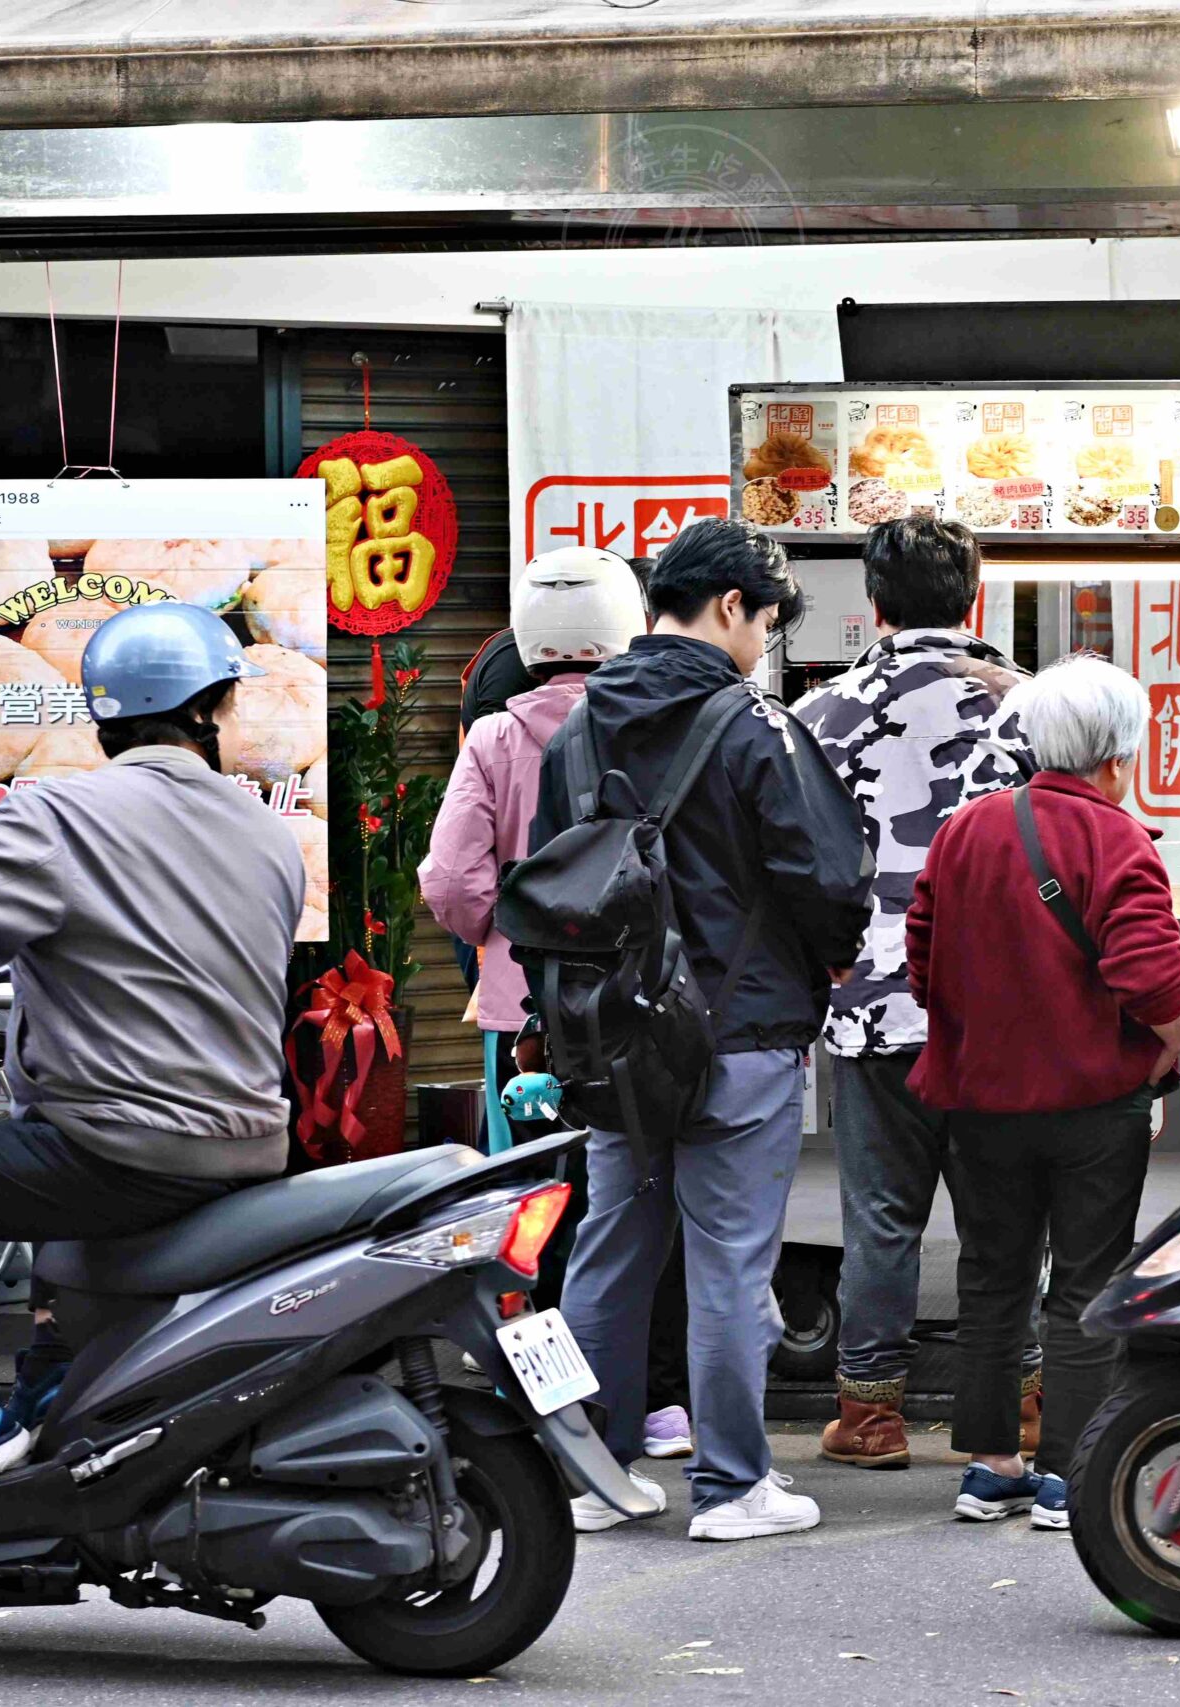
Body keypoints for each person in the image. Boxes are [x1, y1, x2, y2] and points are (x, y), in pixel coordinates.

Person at [0, 603, 302, 1509]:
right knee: (37, 1133)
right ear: (212, 709)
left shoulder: (63, 813)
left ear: (102, 717)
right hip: (242, 1142)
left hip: (125, 1147)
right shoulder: (269, 835)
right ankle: (57, 1395)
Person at [531, 517, 871, 1543]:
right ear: (733, 609)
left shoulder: (576, 732)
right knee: (728, 1262)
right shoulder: (752, 725)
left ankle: (595, 1476)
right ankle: (730, 1488)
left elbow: (553, 884)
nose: (761, 641)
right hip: (741, 1032)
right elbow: (828, 877)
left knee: (611, 1251)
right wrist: (827, 954)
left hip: (616, 1040)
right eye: (764, 621)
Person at [419, 546, 695, 1460]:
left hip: (527, 1021)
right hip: (644, 1010)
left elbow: (451, 879)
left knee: (536, 1210)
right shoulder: (658, 726)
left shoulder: (495, 737)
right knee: (646, 1200)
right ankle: (660, 1402)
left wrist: (511, 931)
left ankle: (553, 1403)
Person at [906, 656, 1180, 1534]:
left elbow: (921, 957)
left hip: (978, 1099)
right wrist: (1167, 1040)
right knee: (1084, 1279)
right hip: (1092, 1103)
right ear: (1118, 754)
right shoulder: (1119, 840)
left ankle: (990, 1466)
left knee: (992, 1277)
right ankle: (1069, 1468)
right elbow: (1151, 973)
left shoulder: (966, 828)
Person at [793, 516, 1034, 1472]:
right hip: (1003, 1009)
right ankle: (1018, 1408)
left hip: (871, 1002)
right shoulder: (1031, 706)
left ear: (875, 603)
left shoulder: (823, 713)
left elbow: (801, 862)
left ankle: (872, 1416)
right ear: (973, 595)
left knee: (882, 1217)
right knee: (1002, 1217)